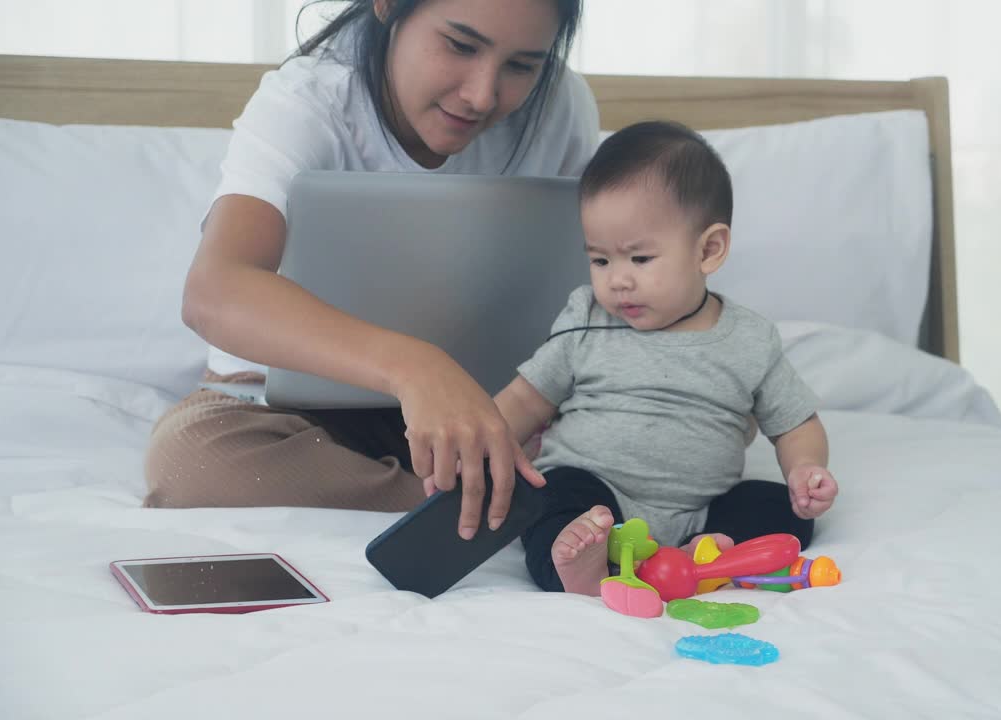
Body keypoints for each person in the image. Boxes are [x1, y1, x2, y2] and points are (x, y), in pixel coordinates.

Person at [144, 0, 598, 543]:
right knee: (191, 463)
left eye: (523, 65)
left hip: (483, 410)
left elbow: (589, 281)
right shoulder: (308, 102)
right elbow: (214, 292)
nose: (482, 94)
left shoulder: (561, 106)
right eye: (460, 45)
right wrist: (416, 367)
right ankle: (498, 505)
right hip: (282, 412)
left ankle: (480, 494)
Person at [493, 121, 839, 595]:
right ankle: (580, 568)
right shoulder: (586, 319)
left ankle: (705, 557)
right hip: (596, 495)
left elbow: (796, 423)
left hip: (702, 509)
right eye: (600, 260)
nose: (617, 280)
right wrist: (479, 447)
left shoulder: (750, 340)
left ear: (709, 250)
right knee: (549, 497)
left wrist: (805, 469)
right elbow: (526, 400)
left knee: (776, 506)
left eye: (639, 259)